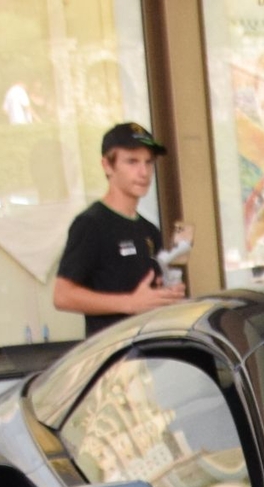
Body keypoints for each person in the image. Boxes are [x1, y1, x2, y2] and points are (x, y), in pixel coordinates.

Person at [54, 122, 187, 333]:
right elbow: (62, 296)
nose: (143, 172)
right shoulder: (91, 224)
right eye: (132, 161)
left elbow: (148, 292)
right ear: (107, 165)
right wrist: (129, 303)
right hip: (113, 356)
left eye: (149, 162)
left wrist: (166, 295)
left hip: (151, 351)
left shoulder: (149, 230)